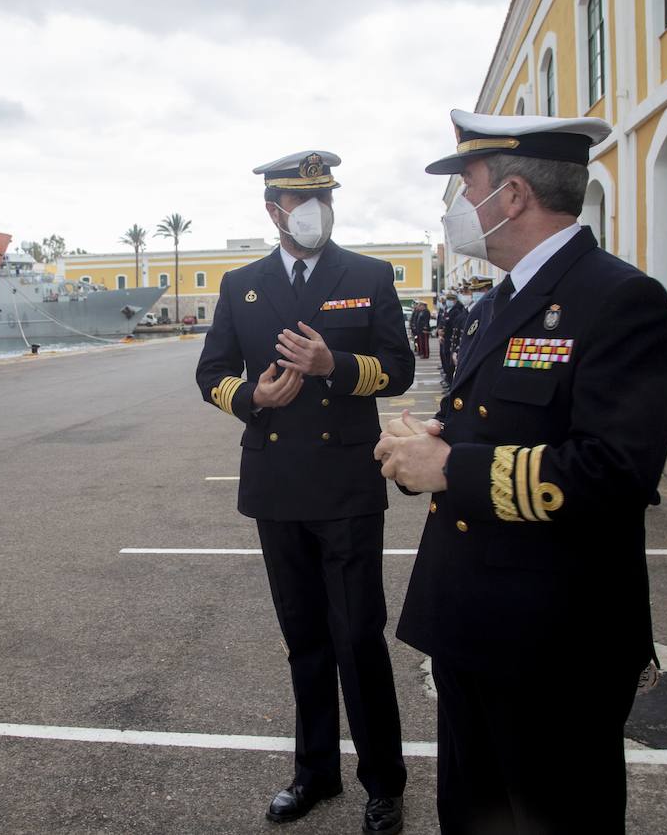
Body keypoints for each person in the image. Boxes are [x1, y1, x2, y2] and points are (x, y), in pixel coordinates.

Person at [375, 112, 667, 834]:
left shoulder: (619, 300)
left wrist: (452, 466)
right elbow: (498, 430)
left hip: (555, 641)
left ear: (511, 196)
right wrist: (431, 451)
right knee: (474, 814)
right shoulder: (497, 304)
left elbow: (615, 472)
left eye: (467, 187)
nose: (458, 209)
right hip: (473, 620)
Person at [195, 150, 413, 833]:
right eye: (299, 198)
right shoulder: (243, 285)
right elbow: (211, 372)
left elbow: (401, 369)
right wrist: (250, 397)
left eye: (323, 196)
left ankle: (383, 782)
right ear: (274, 211)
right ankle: (314, 773)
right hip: (277, 484)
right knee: (305, 640)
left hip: (346, 485)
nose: (314, 208)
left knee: (358, 639)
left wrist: (335, 365)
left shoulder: (368, 276)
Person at [437, 292, 465, 389]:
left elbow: (454, 327)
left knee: (452, 365)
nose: (447, 301)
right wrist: (440, 331)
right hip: (447, 340)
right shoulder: (448, 310)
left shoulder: (456, 311)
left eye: (449, 299)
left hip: (450, 340)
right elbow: (443, 323)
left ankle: (450, 383)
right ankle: (449, 381)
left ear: (454, 300)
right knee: (447, 361)